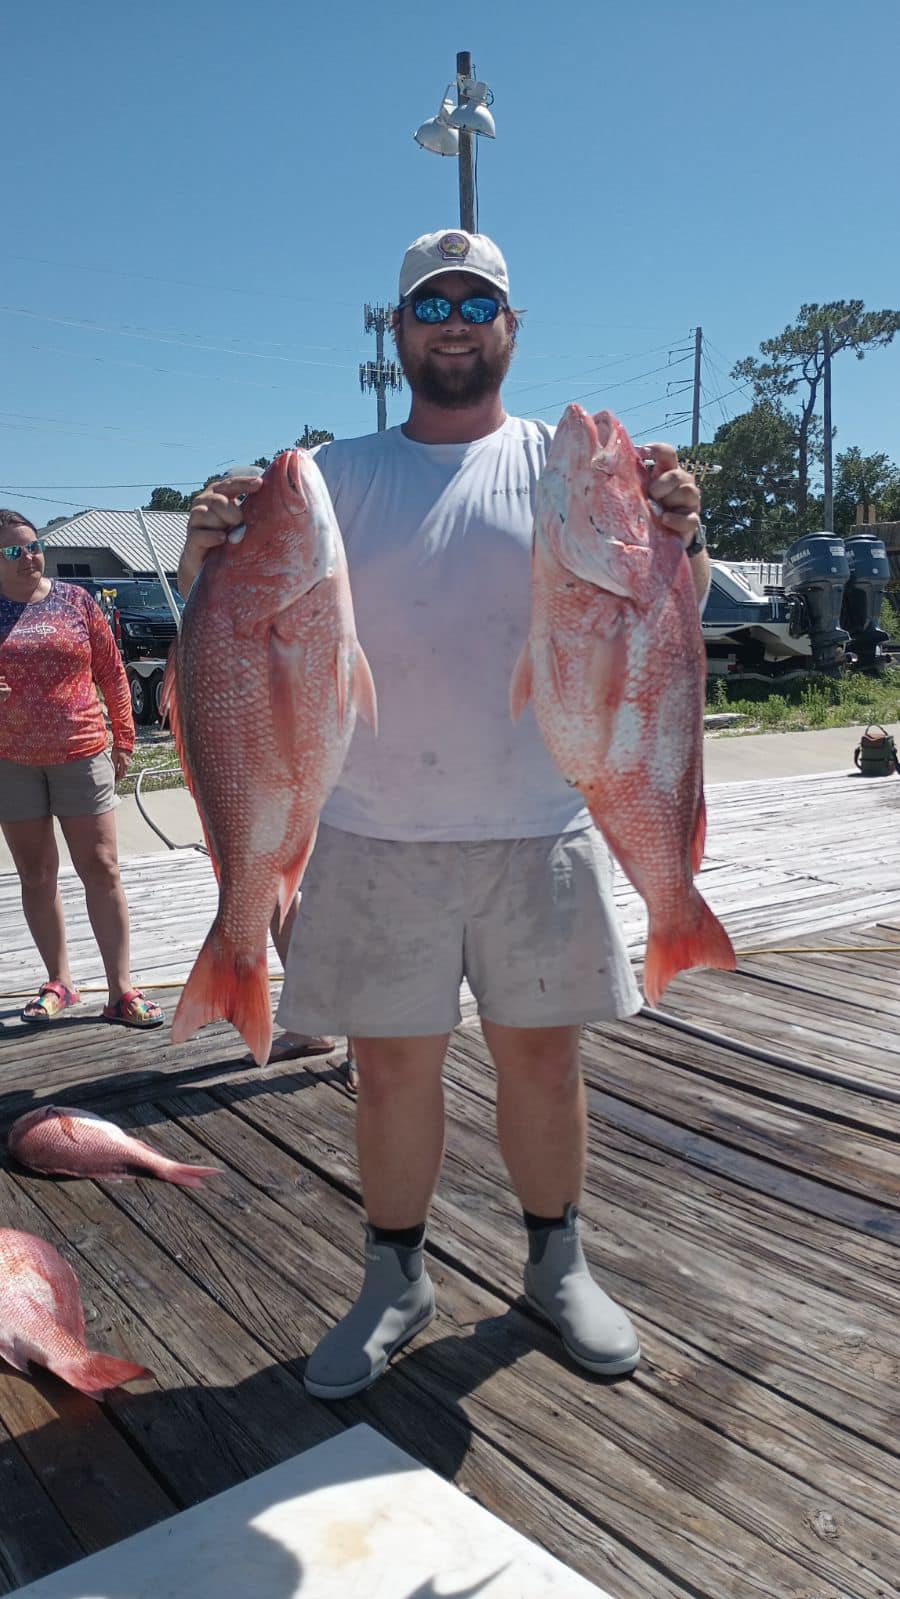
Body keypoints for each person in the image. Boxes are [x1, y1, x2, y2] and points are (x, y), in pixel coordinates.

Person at [179, 230, 708, 1400]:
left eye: (479, 302)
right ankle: (393, 1279)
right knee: (392, 1072)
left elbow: (661, 626)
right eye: (431, 303)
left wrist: (683, 531)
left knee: (541, 1059)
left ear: (512, 327)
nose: (455, 321)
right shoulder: (331, 475)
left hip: (539, 822)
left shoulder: (566, 466)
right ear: (398, 329)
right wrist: (204, 556)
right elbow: (237, 636)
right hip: (370, 829)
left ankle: (556, 1263)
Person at [0, 510, 163, 1028]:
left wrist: (125, 739)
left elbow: (113, 671)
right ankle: (59, 981)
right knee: (36, 875)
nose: (27, 557)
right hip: (11, 762)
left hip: (83, 751)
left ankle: (121, 990)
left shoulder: (75, 600)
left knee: (102, 868)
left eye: (31, 547)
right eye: (11, 551)